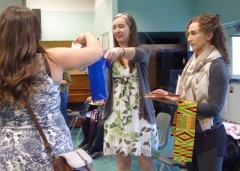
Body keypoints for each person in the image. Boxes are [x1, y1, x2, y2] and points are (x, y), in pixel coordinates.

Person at [0, 5, 102, 171]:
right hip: (53, 148)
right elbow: (96, 51)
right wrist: (87, 35)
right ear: (35, 32)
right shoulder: (51, 58)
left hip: (9, 148)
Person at [152, 13, 230, 171]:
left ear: (209, 35)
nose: (189, 38)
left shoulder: (217, 65)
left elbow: (214, 108)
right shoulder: (193, 62)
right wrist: (168, 96)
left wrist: (177, 101)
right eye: (188, 34)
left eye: (194, 33)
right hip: (186, 128)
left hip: (209, 137)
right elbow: (185, 97)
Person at [103, 13, 159, 171]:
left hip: (140, 114)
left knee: (146, 164)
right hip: (117, 114)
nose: (117, 30)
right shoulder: (110, 55)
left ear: (131, 29)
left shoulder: (143, 50)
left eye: (121, 26)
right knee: (122, 165)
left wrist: (119, 51)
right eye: (114, 27)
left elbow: (138, 54)